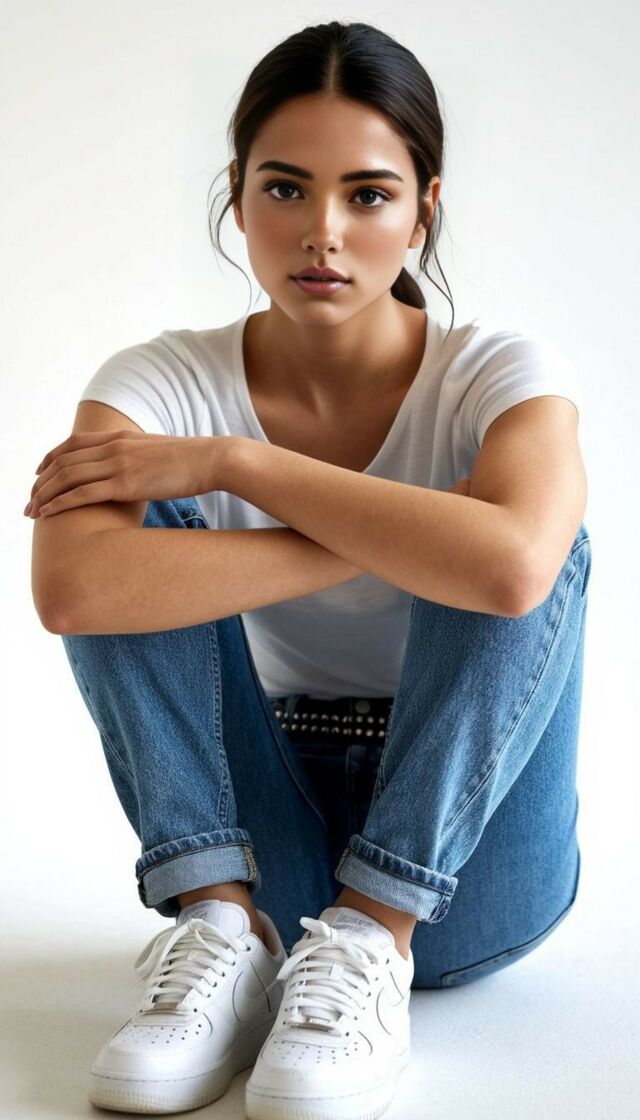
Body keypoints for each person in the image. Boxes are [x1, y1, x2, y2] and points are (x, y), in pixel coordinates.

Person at [26, 18, 591, 1120]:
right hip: (255, 840)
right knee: (127, 536)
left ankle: (376, 934)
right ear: (238, 199)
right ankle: (219, 932)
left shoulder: (499, 373)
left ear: (424, 209)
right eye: (284, 188)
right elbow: (76, 589)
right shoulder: (156, 382)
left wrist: (237, 463)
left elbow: (518, 569)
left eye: (368, 195)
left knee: (533, 536)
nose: (321, 232)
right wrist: (421, 531)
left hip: (473, 866)